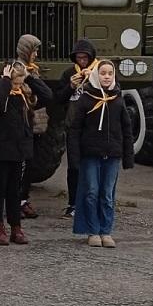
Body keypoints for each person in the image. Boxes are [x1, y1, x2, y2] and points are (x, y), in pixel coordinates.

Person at [0, 60, 52, 246]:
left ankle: (16, 226)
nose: (18, 86)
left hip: (18, 150)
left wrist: (30, 78)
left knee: (15, 191)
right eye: (15, 82)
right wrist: (6, 81)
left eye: (20, 82)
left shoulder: (25, 96)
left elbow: (48, 95)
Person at [68, 61, 134, 248]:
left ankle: (106, 230)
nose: (106, 76)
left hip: (112, 154)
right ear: (97, 75)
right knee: (91, 192)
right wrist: (74, 157)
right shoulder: (86, 99)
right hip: (90, 154)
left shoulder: (118, 100)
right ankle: (93, 230)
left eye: (110, 73)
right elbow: (75, 129)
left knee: (107, 194)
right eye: (103, 73)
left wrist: (128, 157)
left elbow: (126, 130)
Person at [55, 38, 98, 218]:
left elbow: (112, 92)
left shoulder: (99, 71)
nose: (82, 61)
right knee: (74, 165)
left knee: (92, 165)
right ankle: (73, 203)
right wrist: (71, 86)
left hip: (94, 128)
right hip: (73, 127)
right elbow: (58, 99)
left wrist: (92, 81)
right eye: (79, 58)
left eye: (85, 58)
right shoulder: (68, 73)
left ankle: (91, 202)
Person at [16, 34, 46, 219]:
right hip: (21, 123)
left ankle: (23, 199)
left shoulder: (32, 70)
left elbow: (42, 96)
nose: (35, 54)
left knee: (29, 163)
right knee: (20, 166)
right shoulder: (18, 69)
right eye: (33, 50)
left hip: (33, 122)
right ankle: (17, 201)